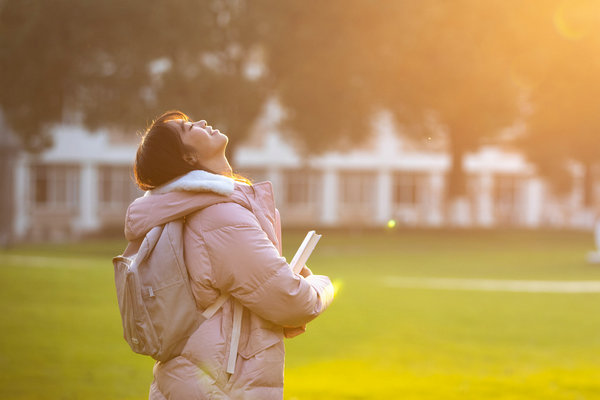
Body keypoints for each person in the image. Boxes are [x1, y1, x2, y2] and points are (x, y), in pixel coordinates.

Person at [124, 110, 335, 399]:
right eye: (188, 129)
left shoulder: (193, 211)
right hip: (219, 388)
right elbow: (292, 301)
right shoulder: (219, 217)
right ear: (187, 158)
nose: (199, 122)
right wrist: (322, 286)